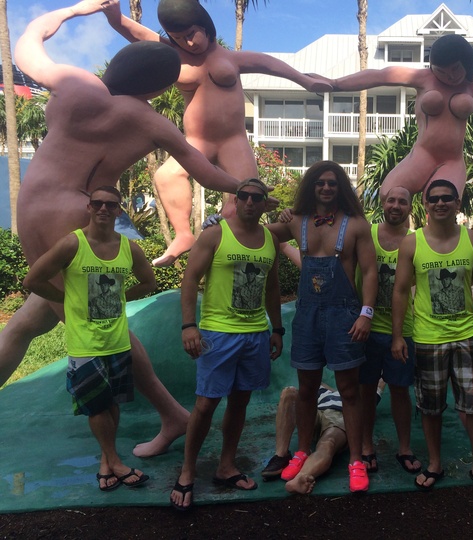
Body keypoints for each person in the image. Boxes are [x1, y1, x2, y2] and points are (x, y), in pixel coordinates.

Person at [4, 0, 253, 457]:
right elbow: (205, 172)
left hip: (34, 210)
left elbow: (28, 43)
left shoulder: (75, 85)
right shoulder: (147, 121)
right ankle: (171, 415)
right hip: (77, 215)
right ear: (158, 88)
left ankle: (165, 416)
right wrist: (250, 190)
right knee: (86, 323)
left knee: (47, 320)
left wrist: (78, 9)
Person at [102, 0, 333, 266]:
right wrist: (115, 17)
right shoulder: (173, 55)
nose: (188, 43)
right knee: (166, 176)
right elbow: (139, 35)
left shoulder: (231, 58)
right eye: (179, 38)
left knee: (243, 199)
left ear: (204, 26)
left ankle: (275, 257)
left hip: (233, 142)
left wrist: (305, 80)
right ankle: (183, 235)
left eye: (191, 34)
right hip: (195, 142)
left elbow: (269, 64)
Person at [23, 186, 154, 492]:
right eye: (97, 203)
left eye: (111, 204)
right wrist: (65, 298)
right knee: (96, 406)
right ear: (89, 207)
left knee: (112, 402)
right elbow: (33, 280)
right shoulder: (73, 244)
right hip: (85, 342)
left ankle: (106, 464)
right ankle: (116, 462)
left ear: (119, 210)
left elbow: (148, 282)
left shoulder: (129, 248)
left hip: (117, 340)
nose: (103, 209)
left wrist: (121, 296)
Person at [170, 178, 283, 511]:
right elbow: (190, 279)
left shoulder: (271, 240)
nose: (249, 202)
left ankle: (226, 466)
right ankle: (187, 472)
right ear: (236, 200)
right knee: (206, 404)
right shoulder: (215, 234)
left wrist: (277, 329)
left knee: (240, 401)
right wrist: (189, 326)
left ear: (264, 203)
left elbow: (273, 287)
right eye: (243, 196)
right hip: (218, 334)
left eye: (256, 198)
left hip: (255, 334)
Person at [330, 34, 473, 201]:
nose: (450, 76)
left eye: (455, 69)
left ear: (467, 63)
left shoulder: (470, 89)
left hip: (452, 160)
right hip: (423, 154)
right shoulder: (423, 78)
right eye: (442, 71)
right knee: (391, 195)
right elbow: (380, 76)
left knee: (444, 203)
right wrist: (336, 84)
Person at [266, 161, 377, 493]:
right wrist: (224, 220)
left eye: (332, 183)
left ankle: (356, 460)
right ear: (311, 187)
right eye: (320, 183)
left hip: (345, 315)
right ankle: (301, 451)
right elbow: (255, 234)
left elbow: (370, 271)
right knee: (306, 390)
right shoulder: (296, 221)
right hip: (308, 316)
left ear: (340, 187)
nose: (326, 188)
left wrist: (366, 314)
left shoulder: (356, 224)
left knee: (350, 390)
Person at [391, 180, 473, 498]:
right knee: (430, 407)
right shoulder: (411, 243)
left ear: (457, 203)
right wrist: (398, 336)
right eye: (434, 199)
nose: (440, 203)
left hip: (466, 336)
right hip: (427, 338)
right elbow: (400, 291)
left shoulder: (472, 240)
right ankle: (435, 463)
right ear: (425, 204)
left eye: (447, 198)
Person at [356, 187, 421, 475]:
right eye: (391, 200)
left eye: (402, 202)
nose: (396, 206)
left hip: (402, 330)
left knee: (399, 390)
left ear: (410, 207)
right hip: (366, 328)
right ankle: (366, 445)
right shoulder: (366, 234)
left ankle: (404, 447)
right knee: (366, 389)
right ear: (383, 203)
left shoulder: (416, 241)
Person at [261, 381, 384, 494]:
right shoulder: (323, 391)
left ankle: (302, 477)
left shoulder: (363, 392)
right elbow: (314, 380)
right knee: (289, 392)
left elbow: (378, 380)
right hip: (316, 413)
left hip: (340, 416)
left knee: (328, 442)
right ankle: (281, 455)